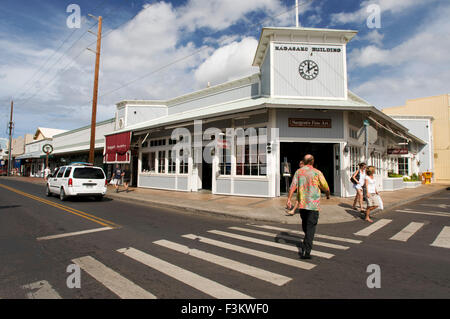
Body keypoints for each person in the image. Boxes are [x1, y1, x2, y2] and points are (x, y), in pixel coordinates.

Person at [286, 154, 330, 260]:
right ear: (312, 161)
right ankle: (307, 251)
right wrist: (328, 195)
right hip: (313, 205)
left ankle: (306, 242)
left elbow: (292, 186)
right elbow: (325, 186)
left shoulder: (298, 172)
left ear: (304, 161)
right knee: (310, 228)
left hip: (302, 204)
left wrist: (288, 199)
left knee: (306, 226)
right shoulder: (317, 172)